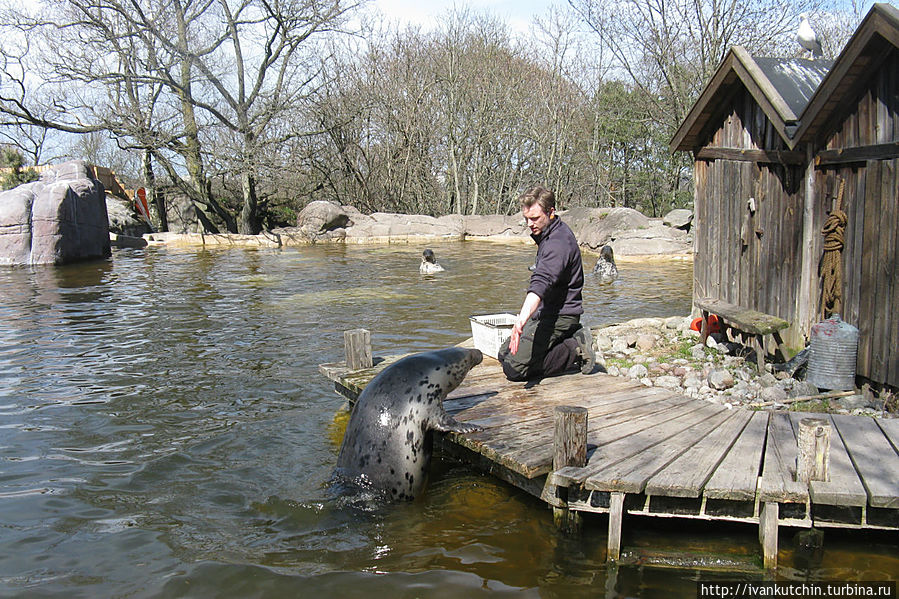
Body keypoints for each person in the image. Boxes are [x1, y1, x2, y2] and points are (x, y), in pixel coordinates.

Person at [497, 185, 595, 381]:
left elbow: (540, 283)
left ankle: (573, 347)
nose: (529, 224)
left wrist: (521, 320)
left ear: (551, 212)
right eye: (526, 219)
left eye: (534, 218)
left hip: (561, 315)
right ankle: (562, 341)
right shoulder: (550, 232)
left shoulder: (557, 243)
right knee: (503, 354)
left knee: (514, 369)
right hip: (545, 311)